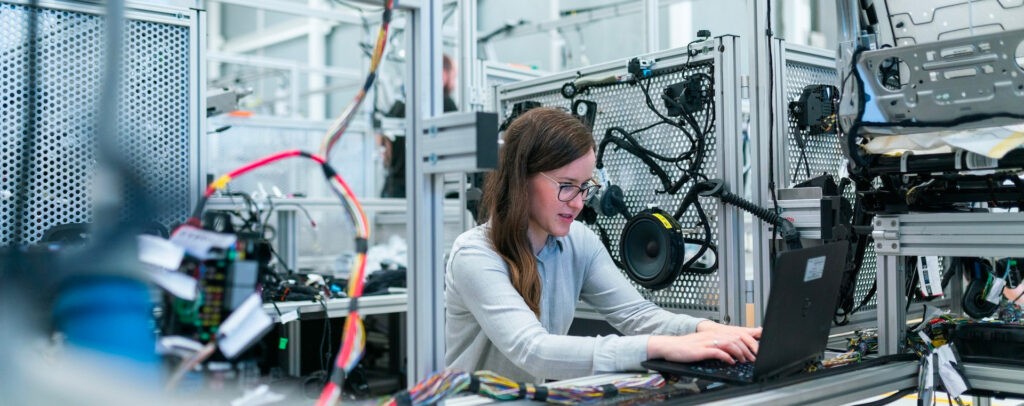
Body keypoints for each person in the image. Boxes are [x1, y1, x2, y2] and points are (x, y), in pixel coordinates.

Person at [444, 107, 761, 383]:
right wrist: (659, 347)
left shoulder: (578, 242)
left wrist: (711, 331)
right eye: (567, 186)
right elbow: (533, 350)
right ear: (521, 178)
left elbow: (637, 315)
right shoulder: (475, 255)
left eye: (585, 187)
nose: (579, 203)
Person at [379, 54, 457, 198]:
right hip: (423, 191)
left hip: (393, 191)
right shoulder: (445, 103)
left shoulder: (400, 104)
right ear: (443, 74)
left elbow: (383, 146)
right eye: (454, 76)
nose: (454, 82)